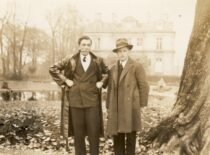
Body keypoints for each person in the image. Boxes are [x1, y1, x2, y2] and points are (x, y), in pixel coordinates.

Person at [49, 35, 108, 155]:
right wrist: (65, 80)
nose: (86, 47)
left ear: (91, 46)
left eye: (88, 45)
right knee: (78, 134)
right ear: (79, 46)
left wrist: (101, 82)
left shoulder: (98, 60)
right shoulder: (70, 59)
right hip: (75, 101)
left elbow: (107, 73)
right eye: (83, 45)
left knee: (94, 133)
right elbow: (53, 69)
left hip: (92, 101)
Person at [106, 38, 149, 155]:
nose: (122, 54)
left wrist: (143, 105)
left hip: (131, 106)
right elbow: (110, 87)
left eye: (124, 51)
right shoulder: (113, 68)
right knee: (117, 136)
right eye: (119, 52)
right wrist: (108, 106)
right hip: (116, 107)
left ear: (128, 51)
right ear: (117, 53)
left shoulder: (136, 66)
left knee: (131, 136)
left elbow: (143, 85)